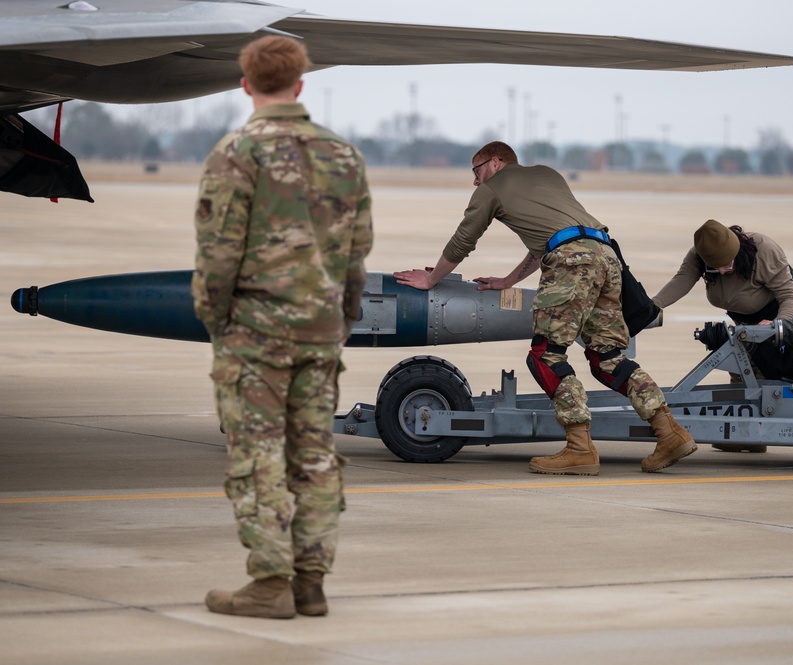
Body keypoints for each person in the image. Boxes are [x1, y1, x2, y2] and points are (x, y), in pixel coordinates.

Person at [191, 36, 373, 619]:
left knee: (258, 456)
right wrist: (341, 320)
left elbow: (218, 255)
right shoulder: (344, 156)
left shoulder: (237, 153)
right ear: (300, 84)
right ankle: (311, 583)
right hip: (320, 333)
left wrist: (217, 322)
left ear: (246, 84)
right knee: (315, 455)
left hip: (256, 334)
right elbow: (356, 254)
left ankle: (271, 584)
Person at [394, 141, 695, 476]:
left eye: (476, 171)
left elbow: (464, 240)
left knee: (545, 356)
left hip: (571, 262)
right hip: (607, 256)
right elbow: (549, 239)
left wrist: (431, 279)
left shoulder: (491, 188)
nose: (475, 181)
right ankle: (670, 433)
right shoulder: (547, 175)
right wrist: (508, 280)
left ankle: (580, 449)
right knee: (608, 359)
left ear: (495, 162)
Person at [652, 219, 793, 452]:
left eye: (727, 264)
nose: (723, 271)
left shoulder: (764, 250)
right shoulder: (700, 253)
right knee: (741, 362)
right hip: (744, 315)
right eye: (716, 267)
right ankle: (744, 433)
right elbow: (682, 280)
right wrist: (653, 306)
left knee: (783, 364)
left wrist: (779, 325)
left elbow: (789, 295)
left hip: (780, 307)